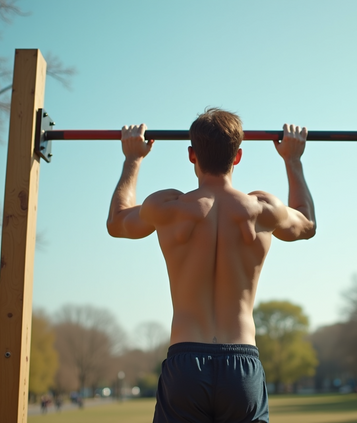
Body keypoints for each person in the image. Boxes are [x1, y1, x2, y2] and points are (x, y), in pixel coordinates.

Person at [107, 108, 316, 423]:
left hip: (186, 364)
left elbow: (117, 222)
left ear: (192, 154)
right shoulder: (262, 209)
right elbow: (307, 223)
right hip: (241, 363)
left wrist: (132, 159)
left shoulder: (169, 207)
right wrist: (293, 159)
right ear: (239, 156)